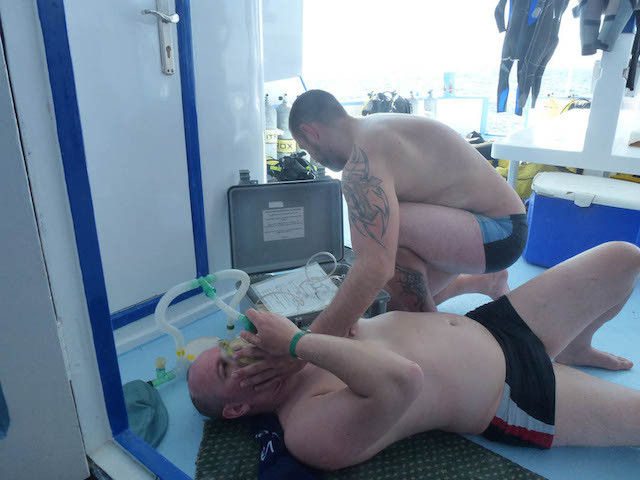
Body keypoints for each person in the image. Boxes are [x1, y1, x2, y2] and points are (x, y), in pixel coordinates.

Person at [188, 242, 640, 471]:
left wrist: (308, 339)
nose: (239, 349)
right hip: (513, 394)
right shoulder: (305, 431)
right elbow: (403, 378)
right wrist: (297, 344)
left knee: (622, 258)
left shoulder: (307, 349)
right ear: (236, 408)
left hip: (495, 325)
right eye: (227, 366)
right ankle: (564, 365)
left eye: (229, 346)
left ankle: (575, 346)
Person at [236, 89, 527, 389]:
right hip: (476, 224)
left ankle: (436, 337)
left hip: (499, 231)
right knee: (394, 308)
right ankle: (483, 282)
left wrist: (299, 350)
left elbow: (375, 267)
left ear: (311, 132)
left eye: (306, 148)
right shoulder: (371, 128)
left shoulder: (361, 164)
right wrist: (344, 315)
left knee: (386, 244)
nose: (312, 157)